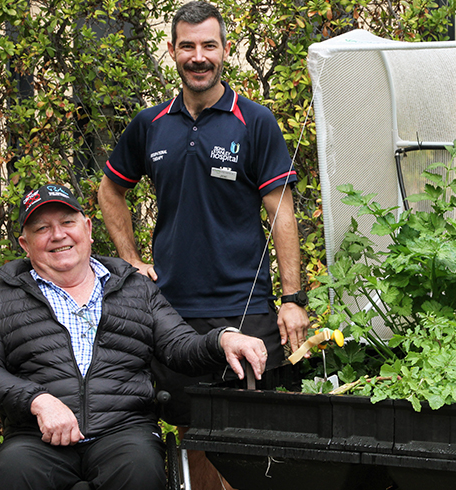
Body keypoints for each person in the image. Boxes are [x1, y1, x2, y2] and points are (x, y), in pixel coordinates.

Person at [0, 184, 268, 490]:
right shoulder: (3, 294)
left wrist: (223, 339)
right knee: (13, 475)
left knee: (140, 472)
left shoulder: (134, 287)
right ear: (26, 245)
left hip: (124, 431)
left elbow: (179, 346)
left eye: (68, 222)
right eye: (42, 228)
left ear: (88, 227)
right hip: (35, 437)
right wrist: (38, 401)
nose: (58, 235)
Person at [98, 1, 309, 418]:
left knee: (252, 436)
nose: (198, 57)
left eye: (208, 46)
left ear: (225, 51)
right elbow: (109, 191)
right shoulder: (150, 123)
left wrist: (292, 298)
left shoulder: (255, 121)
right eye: (187, 46)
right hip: (171, 313)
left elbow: (281, 212)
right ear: (173, 50)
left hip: (247, 309)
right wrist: (131, 260)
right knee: (190, 428)